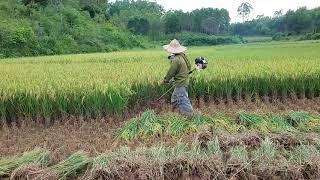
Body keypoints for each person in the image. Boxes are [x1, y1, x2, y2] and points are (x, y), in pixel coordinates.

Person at [161, 39, 194, 116]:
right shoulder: (183, 56)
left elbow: (171, 72)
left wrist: (165, 80)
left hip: (180, 83)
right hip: (183, 81)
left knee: (183, 99)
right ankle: (176, 112)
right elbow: (188, 67)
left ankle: (190, 115)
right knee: (175, 98)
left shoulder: (176, 59)